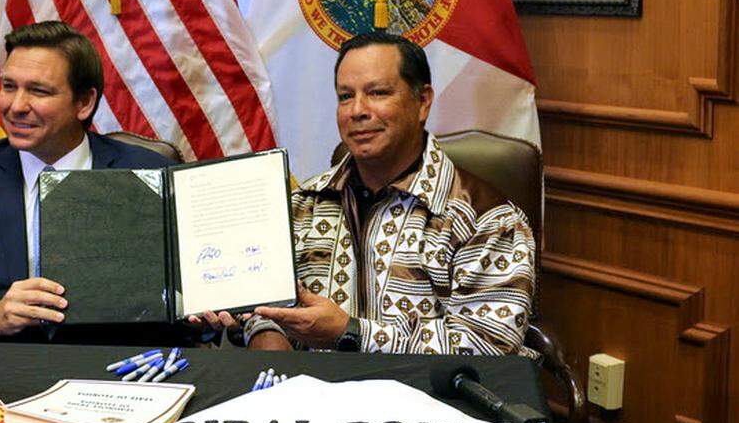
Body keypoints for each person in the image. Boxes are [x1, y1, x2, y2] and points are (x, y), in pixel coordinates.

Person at [194, 32, 536, 356]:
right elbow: (271, 305)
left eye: (377, 93)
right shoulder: (302, 207)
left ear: (422, 102)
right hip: (307, 399)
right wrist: (263, 330)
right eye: (346, 96)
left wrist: (352, 332)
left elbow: (490, 345)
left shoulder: (486, 217)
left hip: (431, 405)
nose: (357, 110)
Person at [0, 21, 176, 344]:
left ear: (84, 103)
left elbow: (180, 302)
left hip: (124, 371)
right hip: (5, 372)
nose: (15, 106)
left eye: (38, 91)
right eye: (9, 86)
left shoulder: (150, 173)